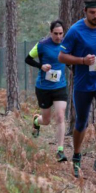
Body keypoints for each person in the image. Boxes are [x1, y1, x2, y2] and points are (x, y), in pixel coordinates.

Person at [58, 0, 96, 180]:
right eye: (92, 12)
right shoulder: (76, 31)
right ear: (85, 12)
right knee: (81, 121)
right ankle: (77, 156)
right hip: (83, 82)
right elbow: (61, 56)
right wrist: (82, 61)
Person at [25, 20, 68, 162]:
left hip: (60, 87)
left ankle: (60, 150)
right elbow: (28, 59)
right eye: (55, 34)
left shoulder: (66, 44)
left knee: (61, 116)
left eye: (61, 33)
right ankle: (37, 121)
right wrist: (41, 66)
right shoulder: (42, 45)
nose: (58, 36)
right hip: (44, 88)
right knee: (47, 120)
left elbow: (68, 61)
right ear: (51, 33)